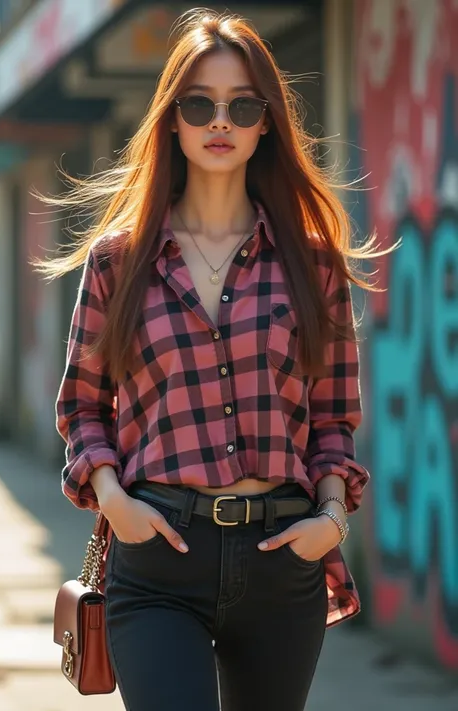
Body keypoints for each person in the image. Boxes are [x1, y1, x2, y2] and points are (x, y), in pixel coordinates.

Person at [35, 8, 396, 711]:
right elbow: (81, 406)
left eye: (241, 105)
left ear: (267, 121)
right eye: (199, 103)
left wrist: (330, 517)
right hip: (158, 555)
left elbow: (332, 418)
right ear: (173, 117)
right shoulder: (119, 258)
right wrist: (113, 499)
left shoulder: (312, 260)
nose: (219, 120)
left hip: (282, 560)